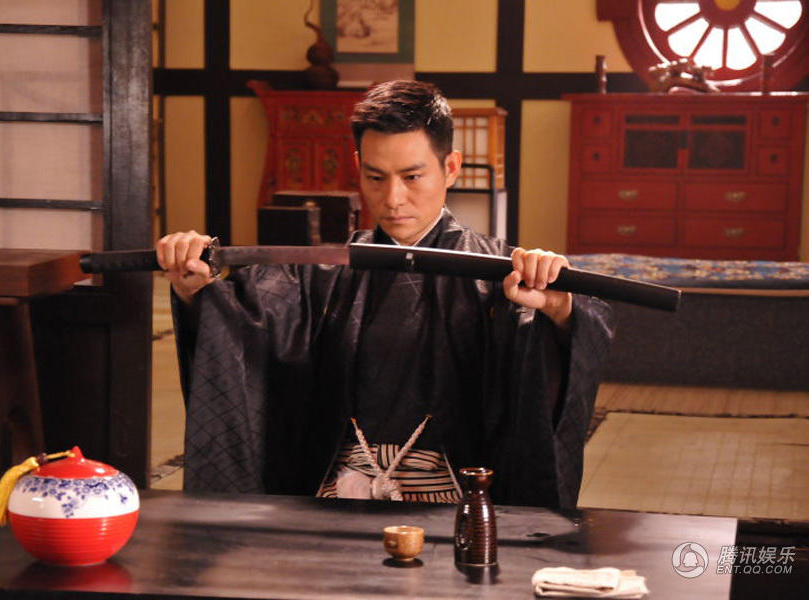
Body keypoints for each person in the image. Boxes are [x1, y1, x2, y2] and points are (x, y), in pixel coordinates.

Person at [157, 80, 612, 509]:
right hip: (335, 497)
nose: (393, 198)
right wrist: (197, 286)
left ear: (450, 168)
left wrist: (558, 309)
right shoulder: (323, 274)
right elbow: (241, 326)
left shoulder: (496, 275)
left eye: (412, 177)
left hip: (458, 503)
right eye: (375, 177)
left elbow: (549, 361)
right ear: (358, 167)